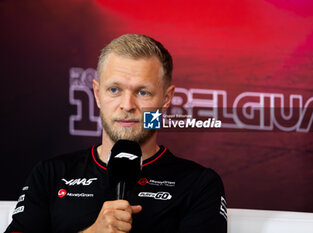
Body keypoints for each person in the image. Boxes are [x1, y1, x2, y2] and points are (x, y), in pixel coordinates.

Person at [6, 34, 227, 233]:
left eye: (143, 92)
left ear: (166, 99)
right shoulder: (50, 174)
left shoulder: (199, 183)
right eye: (114, 90)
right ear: (97, 93)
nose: (127, 105)